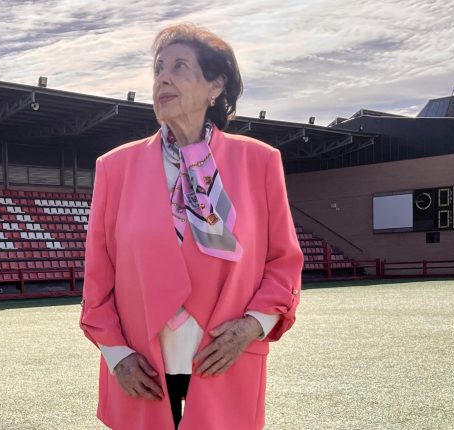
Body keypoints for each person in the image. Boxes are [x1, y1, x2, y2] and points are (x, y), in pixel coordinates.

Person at [79, 23, 304, 430]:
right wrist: (117, 355)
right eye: (158, 69)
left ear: (215, 85)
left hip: (226, 359)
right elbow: (99, 277)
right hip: (141, 367)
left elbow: (283, 263)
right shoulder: (114, 168)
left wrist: (251, 327)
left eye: (179, 66)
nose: (162, 78)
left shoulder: (260, 162)